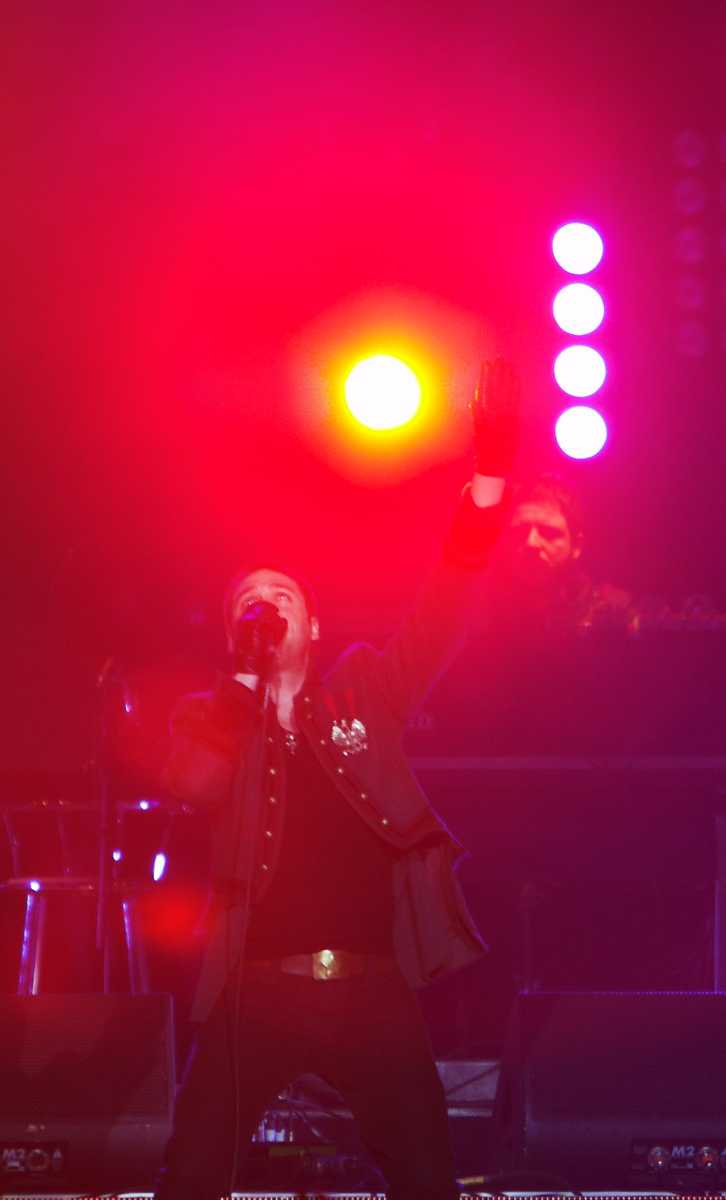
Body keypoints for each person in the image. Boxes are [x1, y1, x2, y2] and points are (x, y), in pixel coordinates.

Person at [151, 359, 519, 1200]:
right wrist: (243, 687)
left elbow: (445, 604)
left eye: (281, 595)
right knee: (193, 1175)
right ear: (235, 632)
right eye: (250, 601)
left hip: (372, 991)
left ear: (312, 624)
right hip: (254, 994)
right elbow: (194, 785)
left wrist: (490, 481)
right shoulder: (214, 717)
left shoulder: (364, 691)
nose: (267, 605)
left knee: (428, 1182)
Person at [490, 473, 635, 636]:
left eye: (548, 533)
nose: (531, 543)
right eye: (519, 532)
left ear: (577, 545)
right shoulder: (482, 607)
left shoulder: (616, 611)